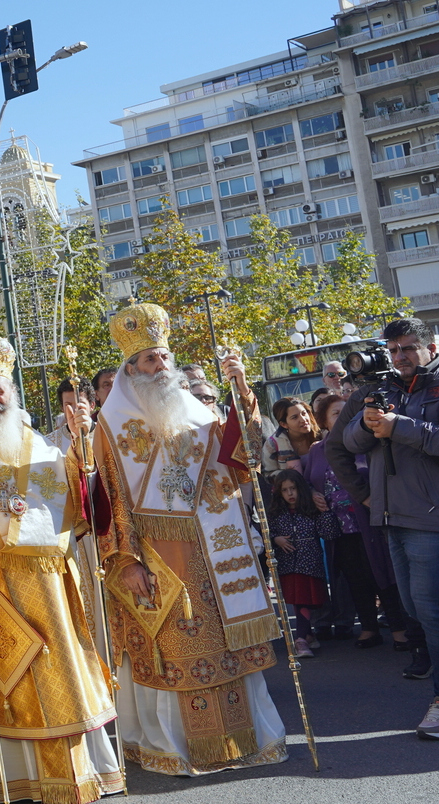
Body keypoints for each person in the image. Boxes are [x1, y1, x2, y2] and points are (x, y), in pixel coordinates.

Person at [94, 303, 287, 775]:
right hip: (161, 560)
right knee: (176, 653)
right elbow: (111, 501)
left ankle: (250, 738)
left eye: (162, 358)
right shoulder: (111, 426)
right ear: (130, 369)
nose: (158, 367)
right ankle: (176, 748)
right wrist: (126, 562)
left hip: (218, 552)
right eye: (147, 361)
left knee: (228, 648)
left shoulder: (197, 414)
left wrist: (242, 391)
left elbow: (242, 459)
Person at [0, 334, 123, 803]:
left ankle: (85, 772)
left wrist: (82, 451)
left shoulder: (39, 444)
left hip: (54, 585)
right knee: (14, 681)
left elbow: (78, 506)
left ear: (11, 392)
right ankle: (24, 781)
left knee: (68, 674)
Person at [331, 317, 439, 740]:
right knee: (423, 611)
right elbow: (346, 441)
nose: (399, 356)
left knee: (434, 611)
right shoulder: (385, 388)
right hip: (393, 517)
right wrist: (366, 423)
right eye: (393, 349)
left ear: (430, 347)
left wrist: (400, 426)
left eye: (408, 348)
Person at [299, 394, 402, 650]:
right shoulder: (317, 450)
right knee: (355, 579)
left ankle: (400, 629)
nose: (345, 418)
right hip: (339, 530)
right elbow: (308, 480)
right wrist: (312, 493)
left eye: (349, 412)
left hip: (372, 524)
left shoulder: (368, 442)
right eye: (337, 414)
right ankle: (368, 628)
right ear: (323, 422)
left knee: (383, 575)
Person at [265, 471, 340, 660]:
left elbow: (329, 534)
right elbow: (268, 533)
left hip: (310, 563)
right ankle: (305, 637)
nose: (290, 493)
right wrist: (276, 539)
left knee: (305, 600)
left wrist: (325, 513)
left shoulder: (311, 510)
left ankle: (301, 639)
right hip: (288, 564)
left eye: (293, 488)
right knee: (299, 601)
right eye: (285, 490)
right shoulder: (276, 513)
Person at [262, 397, 318, 479]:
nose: (303, 420)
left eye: (304, 413)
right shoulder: (272, 444)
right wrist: (285, 475)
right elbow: (268, 474)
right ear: (284, 424)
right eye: (295, 417)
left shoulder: (321, 434)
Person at [45, 376, 94, 452]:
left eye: (80, 403)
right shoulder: (49, 443)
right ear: (62, 408)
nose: (75, 410)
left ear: (92, 405)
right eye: (68, 405)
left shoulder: (107, 435)